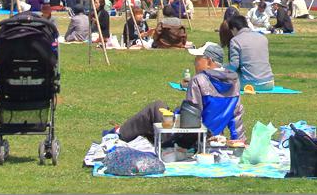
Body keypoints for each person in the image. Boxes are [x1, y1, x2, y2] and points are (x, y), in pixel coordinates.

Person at [115, 43, 245, 145]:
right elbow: (236, 116)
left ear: (209, 61)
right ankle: (124, 132)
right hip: (214, 139)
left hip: (190, 141)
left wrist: (175, 116)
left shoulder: (199, 80)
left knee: (156, 107)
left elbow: (191, 118)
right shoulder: (234, 82)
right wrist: (239, 141)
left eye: (198, 59)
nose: (195, 62)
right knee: (160, 115)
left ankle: (119, 134)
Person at [225, 15, 274, 91]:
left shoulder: (235, 40)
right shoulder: (263, 38)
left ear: (234, 28)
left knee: (226, 78)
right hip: (269, 83)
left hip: (249, 84)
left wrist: (222, 68)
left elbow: (234, 66)